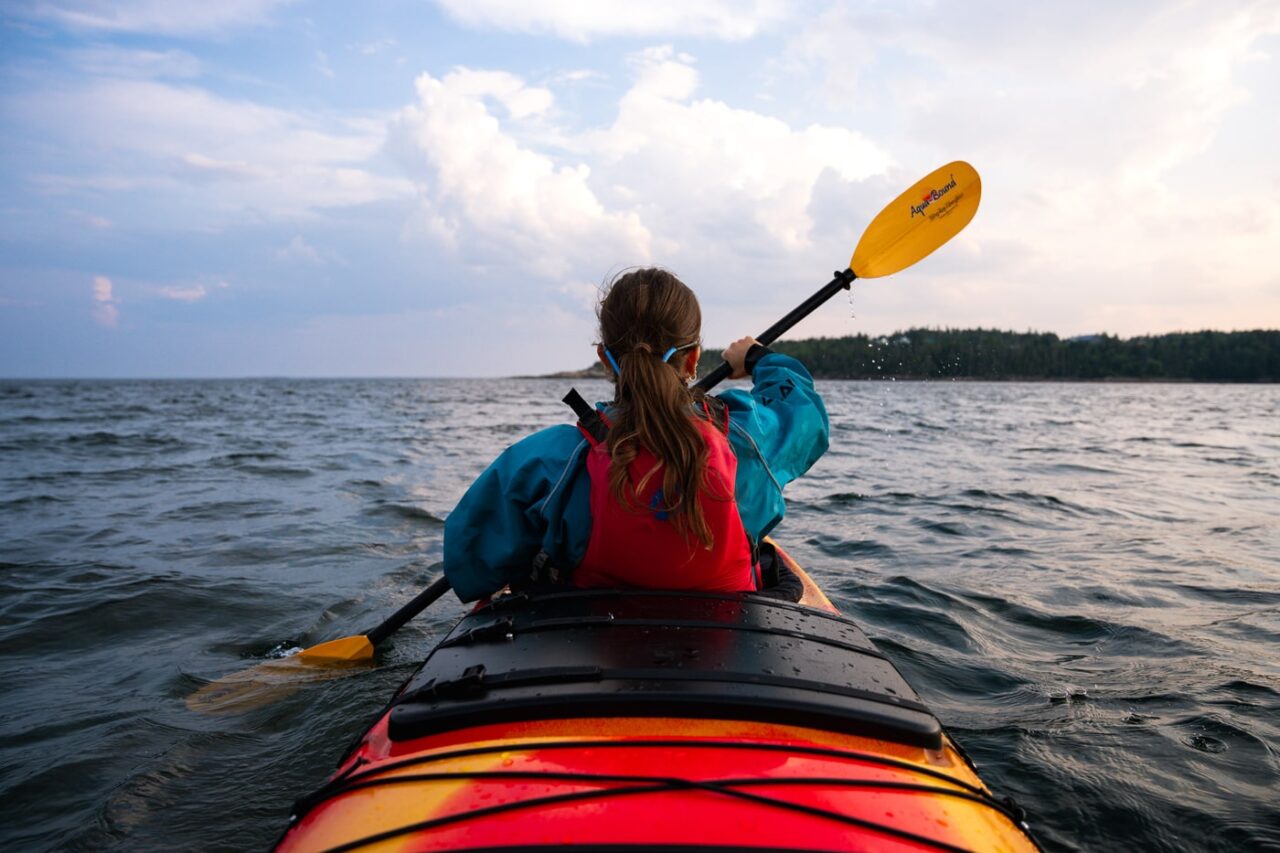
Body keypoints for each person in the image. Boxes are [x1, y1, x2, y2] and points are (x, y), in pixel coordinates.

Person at [442, 268, 829, 602]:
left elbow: (471, 567)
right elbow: (805, 415)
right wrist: (757, 358)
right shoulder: (745, 436)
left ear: (604, 358)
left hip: (592, 638)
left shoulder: (552, 459)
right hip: (728, 632)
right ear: (694, 358)